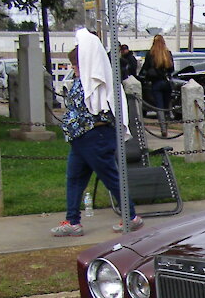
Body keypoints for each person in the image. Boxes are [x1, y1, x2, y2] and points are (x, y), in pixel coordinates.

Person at [51, 29, 143, 237]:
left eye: (76, 64)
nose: (73, 68)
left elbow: (100, 106)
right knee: (74, 178)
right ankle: (72, 220)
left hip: (95, 136)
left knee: (110, 176)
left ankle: (131, 216)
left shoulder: (98, 80)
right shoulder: (81, 80)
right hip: (80, 138)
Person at [138, 34, 174, 118]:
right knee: (166, 104)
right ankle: (167, 120)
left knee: (159, 105)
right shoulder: (168, 54)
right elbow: (171, 69)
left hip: (156, 82)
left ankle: (163, 127)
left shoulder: (150, 54)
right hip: (166, 82)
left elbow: (145, 68)